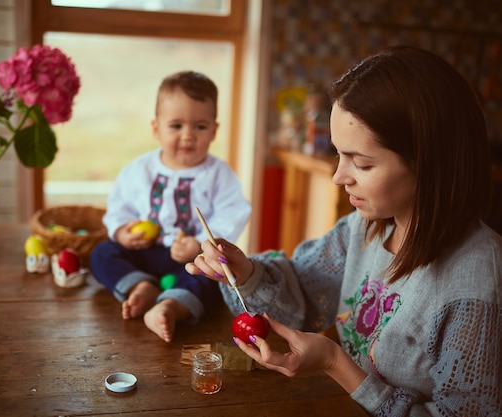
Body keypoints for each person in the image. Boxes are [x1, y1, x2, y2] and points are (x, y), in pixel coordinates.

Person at [186, 46, 502, 416]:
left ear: (430, 164)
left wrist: (336, 363)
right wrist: (247, 273)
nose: (339, 177)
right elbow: (303, 286)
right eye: (339, 154)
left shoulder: (478, 285)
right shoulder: (366, 227)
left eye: (362, 163)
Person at [90, 70, 251, 343]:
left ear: (214, 130)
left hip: (189, 261)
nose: (188, 136)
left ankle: (171, 306)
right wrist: (123, 232)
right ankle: (141, 286)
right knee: (102, 253)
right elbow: (119, 204)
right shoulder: (139, 170)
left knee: (215, 277)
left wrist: (200, 244)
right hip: (144, 253)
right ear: (156, 128)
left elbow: (233, 212)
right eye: (176, 126)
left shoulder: (218, 174)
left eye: (199, 126)